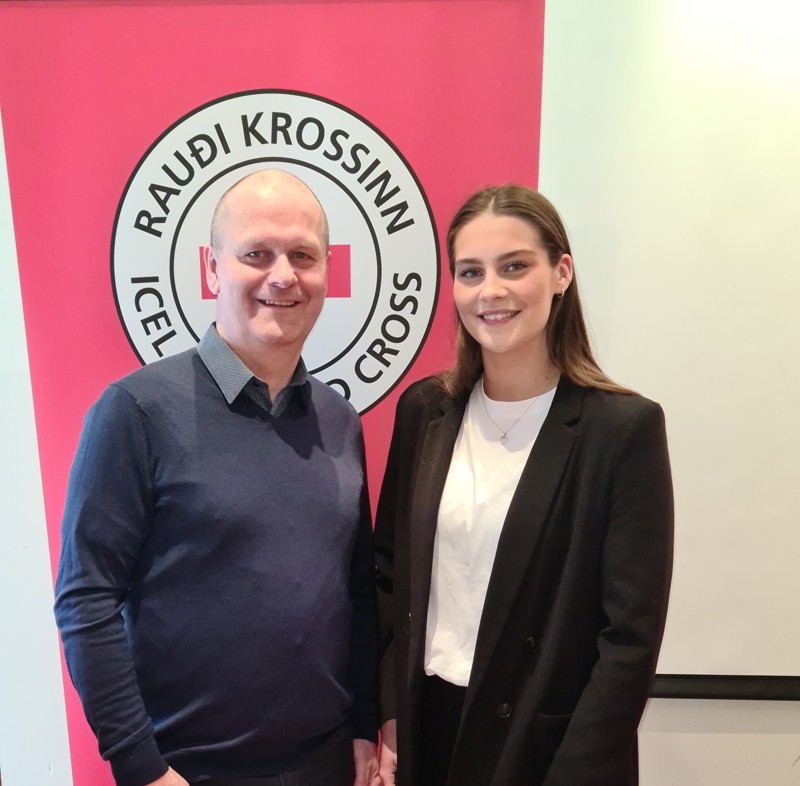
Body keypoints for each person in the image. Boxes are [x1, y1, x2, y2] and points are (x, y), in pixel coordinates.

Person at [54, 169, 380, 786]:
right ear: (211, 269)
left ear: (326, 272)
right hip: (188, 772)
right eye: (256, 254)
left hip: (329, 764)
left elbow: (357, 592)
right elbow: (85, 599)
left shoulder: (340, 419)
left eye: (303, 255)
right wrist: (141, 767)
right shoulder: (135, 411)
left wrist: (365, 720)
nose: (282, 275)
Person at [374, 184, 673, 786]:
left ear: (561, 273)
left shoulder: (622, 430)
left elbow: (629, 640)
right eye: (470, 272)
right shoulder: (424, 411)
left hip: (545, 746)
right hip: (427, 730)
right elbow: (389, 571)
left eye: (514, 266)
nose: (491, 290)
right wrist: (389, 715)